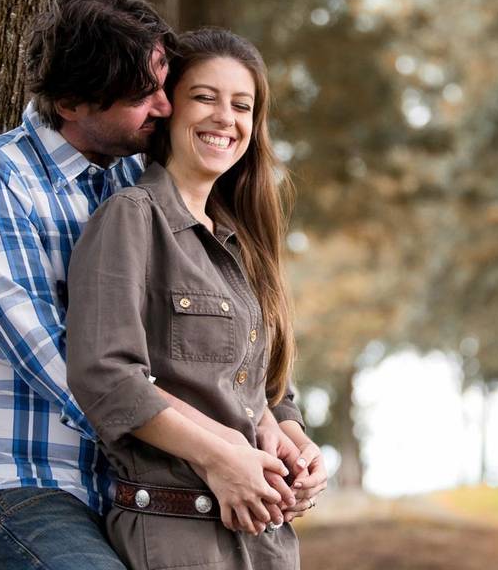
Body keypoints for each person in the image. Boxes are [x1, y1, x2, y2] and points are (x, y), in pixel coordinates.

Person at [0, 0, 310, 570]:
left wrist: (275, 421)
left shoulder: (138, 178)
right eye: (143, 95)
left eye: (163, 86)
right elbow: (71, 369)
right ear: (72, 104)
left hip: (133, 491)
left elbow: (214, 344)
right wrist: (225, 448)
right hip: (25, 481)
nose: (165, 106)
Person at [66, 28, 327, 570]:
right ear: (168, 109)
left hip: (264, 539)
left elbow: (265, 388)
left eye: (242, 106)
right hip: (174, 534)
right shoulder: (131, 217)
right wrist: (225, 456)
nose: (224, 119)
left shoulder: (242, 242)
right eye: (204, 97)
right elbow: (106, 378)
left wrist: (297, 446)